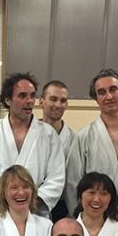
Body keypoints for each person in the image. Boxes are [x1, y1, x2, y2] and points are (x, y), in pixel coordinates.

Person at [0, 72, 65, 217]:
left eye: (32, 96)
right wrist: (1, 206)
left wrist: (31, 204)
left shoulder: (48, 134)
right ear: (8, 100)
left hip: (35, 214)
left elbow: (56, 177)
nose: (29, 101)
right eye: (22, 96)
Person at [64, 69, 118, 213]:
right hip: (96, 214)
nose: (108, 96)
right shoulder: (84, 137)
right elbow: (73, 183)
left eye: (113, 89)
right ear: (96, 99)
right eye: (101, 92)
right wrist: (81, 218)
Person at [38, 80, 76, 221]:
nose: (58, 105)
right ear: (41, 101)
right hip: (33, 203)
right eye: (53, 99)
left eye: (63, 101)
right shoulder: (29, 135)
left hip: (64, 205)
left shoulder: (74, 139)